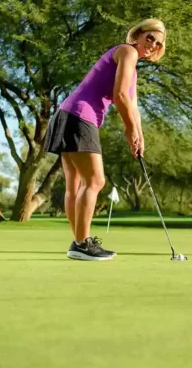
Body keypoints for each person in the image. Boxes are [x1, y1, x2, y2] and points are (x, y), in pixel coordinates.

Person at [43, 18, 167, 261]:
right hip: (80, 115)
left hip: (69, 115)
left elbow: (132, 104)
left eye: (158, 43)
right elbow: (119, 95)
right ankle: (81, 244)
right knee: (95, 181)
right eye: (149, 38)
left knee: (75, 185)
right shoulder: (127, 51)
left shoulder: (132, 67)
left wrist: (138, 135)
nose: (152, 44)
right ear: (138, 36)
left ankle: (79, 242)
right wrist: (129, 129)